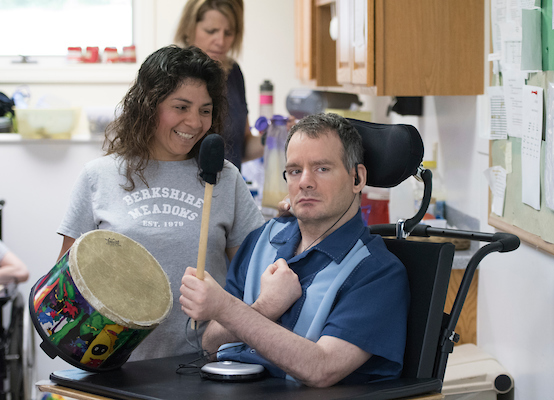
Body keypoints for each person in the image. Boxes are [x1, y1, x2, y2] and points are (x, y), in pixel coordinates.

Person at [57, 45, 265, 361]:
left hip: (203, 363)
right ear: (148, 106)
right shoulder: (99, 176)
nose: (194, 122)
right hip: (113, 366)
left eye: (205, 110)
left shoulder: (226, 178)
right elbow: (65, 287)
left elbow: (254, 280)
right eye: (180, 107)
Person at [179, 113, 410, 387]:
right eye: (295, 170)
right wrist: (265, 307)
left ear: (357, 178)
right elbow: (211, 345)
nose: (305, 182)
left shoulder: (377, 273)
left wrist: (225, 308)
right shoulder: (261, 241)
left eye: (322, 168)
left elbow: (323, 368)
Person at [174, 0, 263, 170]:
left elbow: (239, 148)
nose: (220, 41)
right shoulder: (172, 73)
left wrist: (274, 137)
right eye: (211, 31)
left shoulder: (233, 73)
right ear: (189, 28)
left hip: (226, 191)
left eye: (228, 33)